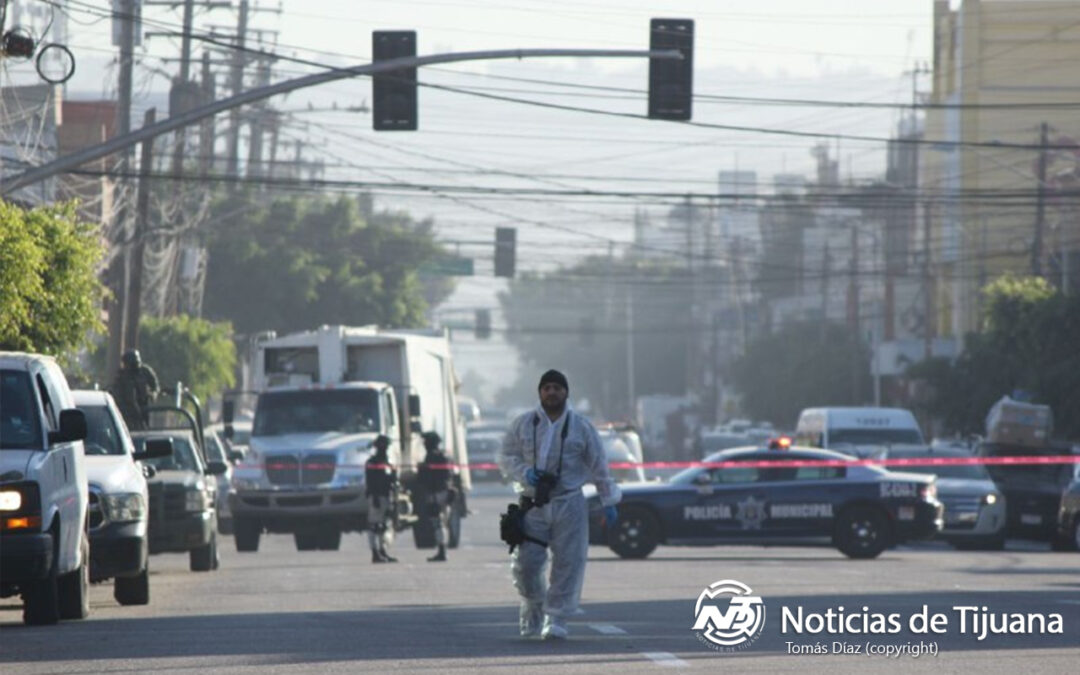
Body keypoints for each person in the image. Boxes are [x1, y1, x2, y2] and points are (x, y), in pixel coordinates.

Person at [498, 369, 621, 640]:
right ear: (540, 392)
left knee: (569, 562)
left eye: (557, 387)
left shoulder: (582, 427)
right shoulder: (523, 423)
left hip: (569, 503)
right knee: (527, 564)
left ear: (566, 392)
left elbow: (599, 464)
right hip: (533, 505)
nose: (552, 392)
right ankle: (533, 609)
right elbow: (505, 455)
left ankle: (557, 619)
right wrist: (523, 472)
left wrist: (608, 499)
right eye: (547, 388)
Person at [417, 431, 455, 563]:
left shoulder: (432, 457)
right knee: (442, 522)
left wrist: (421, 470)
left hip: (436, 493)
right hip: (445, 492)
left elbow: (427, 478)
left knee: (438, 523)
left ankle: (442, 551)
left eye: (426, 442)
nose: (424, 445)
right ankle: (442, 550)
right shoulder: (446, 456)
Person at [365, 435, 398, 563]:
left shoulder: (388, 463)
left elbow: (393, 482)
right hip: (377, 496)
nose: (384, 449)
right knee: (374, 525)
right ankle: (375, 552)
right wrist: (374, 498)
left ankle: (382, 550)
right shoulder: (372, 463)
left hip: (386, 496)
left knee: (383, 526)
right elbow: (371, 482)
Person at [110, 349, 160, 430]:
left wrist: (153, 394)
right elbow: (117, 395)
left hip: (144, 405)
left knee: (145, 427)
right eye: (132, 364)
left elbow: (155, 385)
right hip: (128, 410)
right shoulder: (121, 377)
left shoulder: (145, 371)